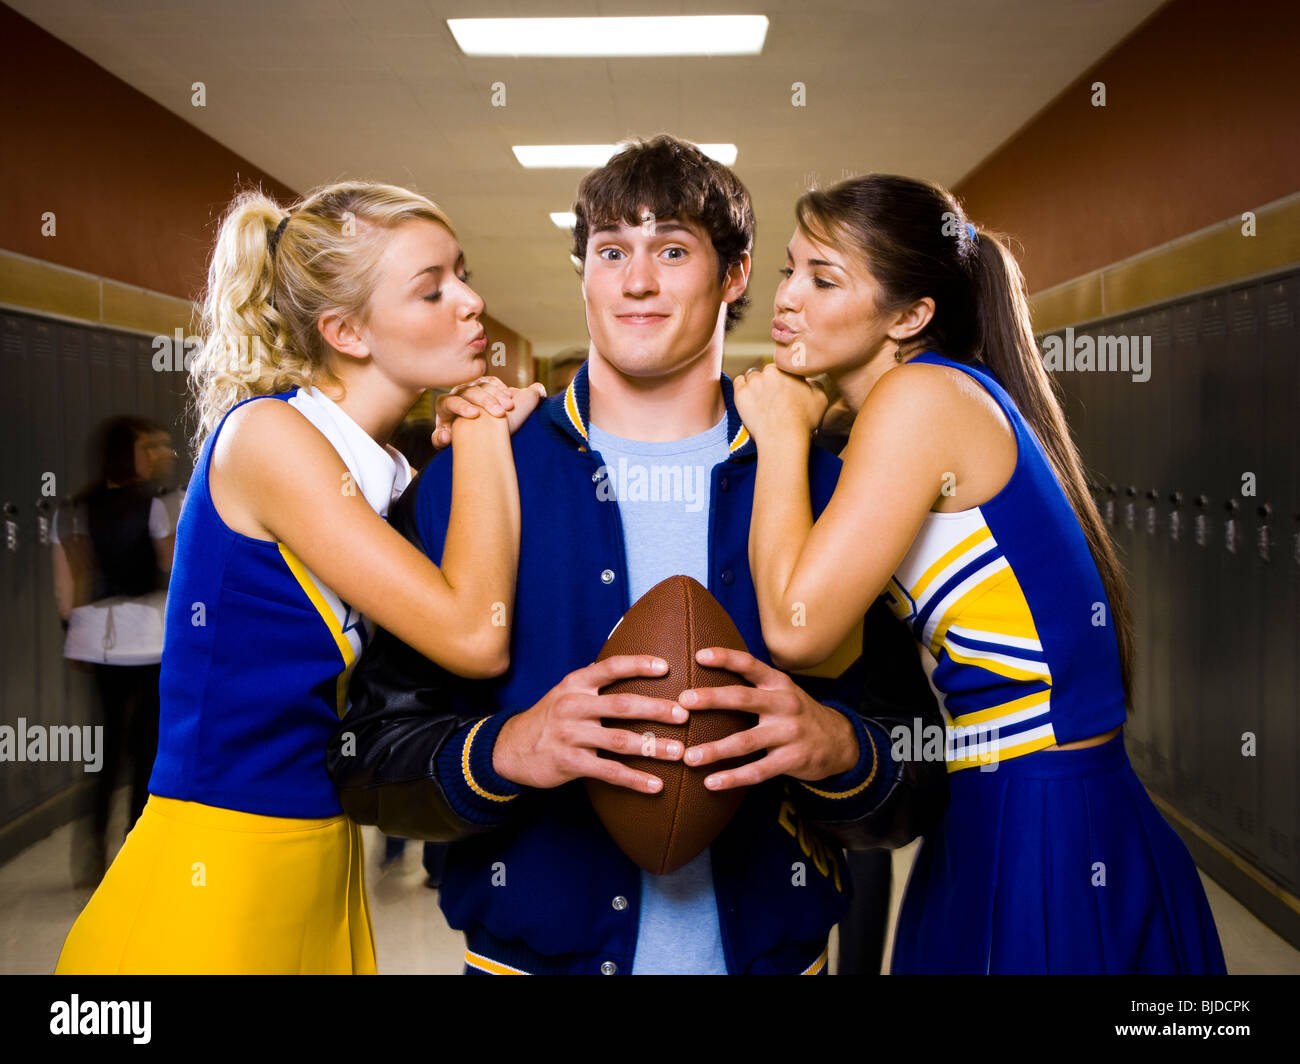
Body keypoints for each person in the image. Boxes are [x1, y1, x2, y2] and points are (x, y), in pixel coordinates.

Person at [327, 136, 947, 975]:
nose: (637, 280)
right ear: (583, 271)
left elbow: (916, 773)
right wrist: (510, 750)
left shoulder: (827, 486)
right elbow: (368, 759)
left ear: (734, 278)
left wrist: (836, 746)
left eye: (673, 251)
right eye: (612, 251)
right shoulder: (474, 477)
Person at [732, 173, 1227, 974]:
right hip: (1009, 793)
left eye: (823, 279)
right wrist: (804, 423)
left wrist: (781, 438)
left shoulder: (920, 398)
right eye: (790, 269)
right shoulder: (921, 400)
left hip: (1045, 812)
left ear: (911, 315)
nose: (786, 298)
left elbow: (795, 627)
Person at [55, 180, 544, 974]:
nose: (471, 300)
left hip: (316, 848)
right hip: (219, 860)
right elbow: (473, 634)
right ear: (346, 330)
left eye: (463, 272)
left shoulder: (370, 467)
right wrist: (486, 428)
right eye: (433, 289)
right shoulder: (268, 437)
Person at [53, 415, 174, 887]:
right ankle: (134, 849)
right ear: (127, 453)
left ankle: (94, 845)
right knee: (144, 749)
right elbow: (169, 564)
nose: (155, 456)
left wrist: (73, 632)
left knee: (103, 749)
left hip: (97, 640)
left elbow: (71, 584)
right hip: (146, 639)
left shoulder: (76, 509)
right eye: (147, 448)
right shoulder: (158, 506)